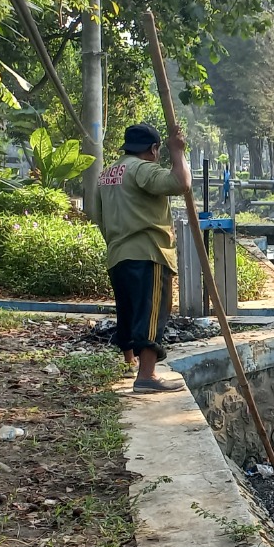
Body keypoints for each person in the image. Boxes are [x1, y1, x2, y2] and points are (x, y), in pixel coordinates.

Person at [98, 123, 191, 393]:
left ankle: (129, 364)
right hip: (147, 252)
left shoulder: (107, 174)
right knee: (150, 313)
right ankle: (147, 376)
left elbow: (98, 213)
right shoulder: (142, 168)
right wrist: (177, 152)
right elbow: (181, 183)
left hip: (118, 252)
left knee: (128, 310)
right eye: (159, 149)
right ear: (152, 149)